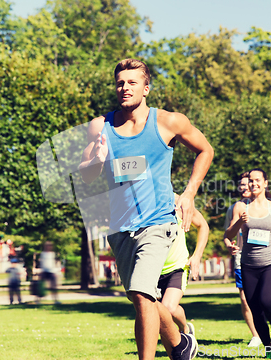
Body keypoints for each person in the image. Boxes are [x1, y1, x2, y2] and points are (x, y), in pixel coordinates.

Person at [78, 58, 214, 360]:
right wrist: (95, 160)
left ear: (146, 88)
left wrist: (190, 192)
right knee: (143, 299)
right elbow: (86, 175)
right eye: (120, 83)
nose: (124, 88)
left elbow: (206, 150)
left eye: (132, 82)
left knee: (141, 292)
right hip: (121, 228)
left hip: (158, 222)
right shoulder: (100, 126)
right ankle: (180, 346)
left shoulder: (168, 122)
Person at [224, 169, 271, 359]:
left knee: (267, 301)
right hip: (248, 265)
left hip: (270, 263)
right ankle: (269, 348)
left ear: (265, 183)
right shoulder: (240, 206)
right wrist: (239, 223)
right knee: (254, 308)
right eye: (250, 181)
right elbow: (228, 235)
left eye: (257, 180)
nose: (254, 184)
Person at [158, 193, 209, 356]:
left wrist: (197, 255)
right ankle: (177, 354)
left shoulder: (179, 201)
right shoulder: (142, 199)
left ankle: (185, 329)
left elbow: (203, 226)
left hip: (177, 266)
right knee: (159, 317)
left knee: (168, 308)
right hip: (153, 270)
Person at [223, 172, 262, 348]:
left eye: (247, 184)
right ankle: (256, 335)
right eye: (241, 185)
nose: (244, 187)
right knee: (245, 298)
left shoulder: (264, 207)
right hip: (241, 258)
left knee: (264, 299)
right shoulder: (234, 208)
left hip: (262, 257)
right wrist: (229, 245)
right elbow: (227, 234)